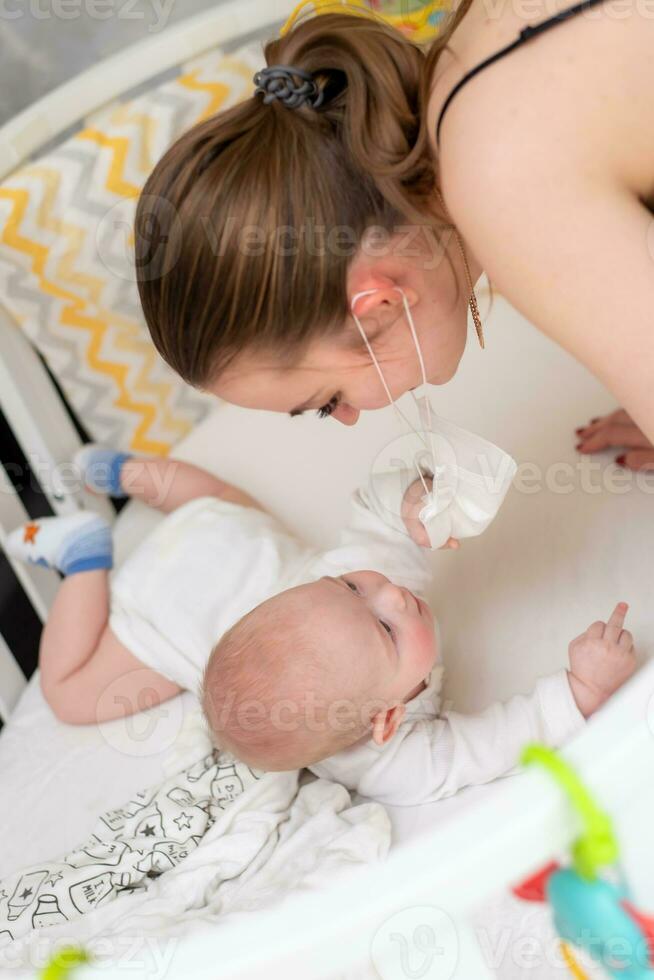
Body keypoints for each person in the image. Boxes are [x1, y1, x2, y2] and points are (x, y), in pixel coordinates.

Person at [133, 6, 654, 464]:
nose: (351, 418)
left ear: (379, 303)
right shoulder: (464, 70)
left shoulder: (508, 193)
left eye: (329, 402)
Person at [7, 447, 635, 803]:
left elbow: (377, 522)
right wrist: (577, 693)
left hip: (220, 545)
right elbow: (487, 747)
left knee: (218, 511)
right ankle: (98, 536)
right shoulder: (382, 760)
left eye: (353, 587)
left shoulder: (358, 585)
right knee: (69, 691)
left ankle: (107, 509)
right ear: (385, 720)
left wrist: (412, 505)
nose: (389, 590)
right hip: (174, 584)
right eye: (385, 627)